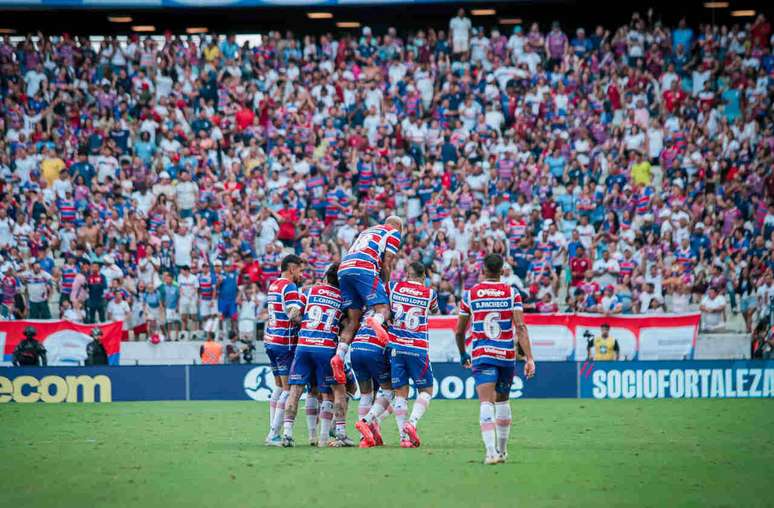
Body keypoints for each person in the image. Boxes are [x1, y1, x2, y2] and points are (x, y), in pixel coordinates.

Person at [455, 253, 535, 465]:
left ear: (483, 270)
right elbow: (520, 327)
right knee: (503, 401)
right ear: (502, 271)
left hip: (482, 354)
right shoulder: (512, 293)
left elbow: (459, 331)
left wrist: (463, 353)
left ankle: (491, 452)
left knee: (485, 402)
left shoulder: (471, 294)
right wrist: (529, 358)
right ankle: (502, 450)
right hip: (506, 356)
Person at [357, 261, 439, 449]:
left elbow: (385, 307)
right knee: (426, 391)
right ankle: (412, 424)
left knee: (400, 394)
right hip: (418, 348)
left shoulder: (393, 287)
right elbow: (434, 310)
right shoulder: (430, 293)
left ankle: (402, 437)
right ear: (424, 276)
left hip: (395, 347)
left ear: (407, 274)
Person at [334, 216, 403, 384]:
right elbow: (386, 262)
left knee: (353, 321)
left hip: (343, 269)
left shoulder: (366, 231)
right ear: (399, 226)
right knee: (383, 308)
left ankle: (339, 356)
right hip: (364, 267)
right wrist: (385, 285)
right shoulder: (393, 232)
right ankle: (376, 320)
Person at [282, 263, 345, 448]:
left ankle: (287, 435)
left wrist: (306, 323)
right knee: (327, 394)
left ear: (325, 276)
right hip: (326, 347)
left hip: (304, 345)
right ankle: (324, 438)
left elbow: (292, 314)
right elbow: (345, 324)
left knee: (295, 391)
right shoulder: (343, 298)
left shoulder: (310, 291)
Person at [264, 254, 305, 446]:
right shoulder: (289, 286)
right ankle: (273, 434)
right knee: (288, 390)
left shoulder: (274, 285)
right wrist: (307, 323)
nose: (300, 274)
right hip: (284, 342)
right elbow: (292, 314)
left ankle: (272, 431)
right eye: (299, 270)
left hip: (271, 339)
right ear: (291, 268)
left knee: (279, 387)